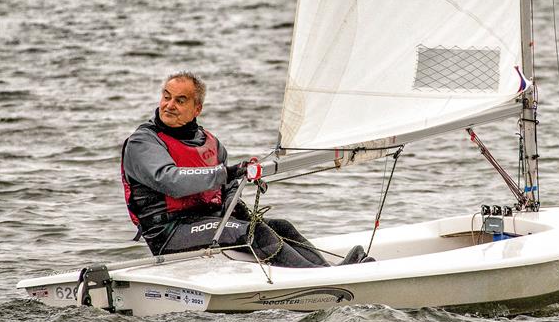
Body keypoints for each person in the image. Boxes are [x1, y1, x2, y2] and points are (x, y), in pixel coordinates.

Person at [121, 71, 371, 267]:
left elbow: (226, 188)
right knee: (253, 234)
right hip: (169, 232)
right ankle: (323, 280)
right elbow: (171, 181)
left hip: (207, 222)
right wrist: (228, 172)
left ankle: (330, 272)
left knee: (280, 226)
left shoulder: (210, 143)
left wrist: (235, 204)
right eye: (166, 96)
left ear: (197, 109)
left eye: (180, 100)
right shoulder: (143, 142)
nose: (169, 105)